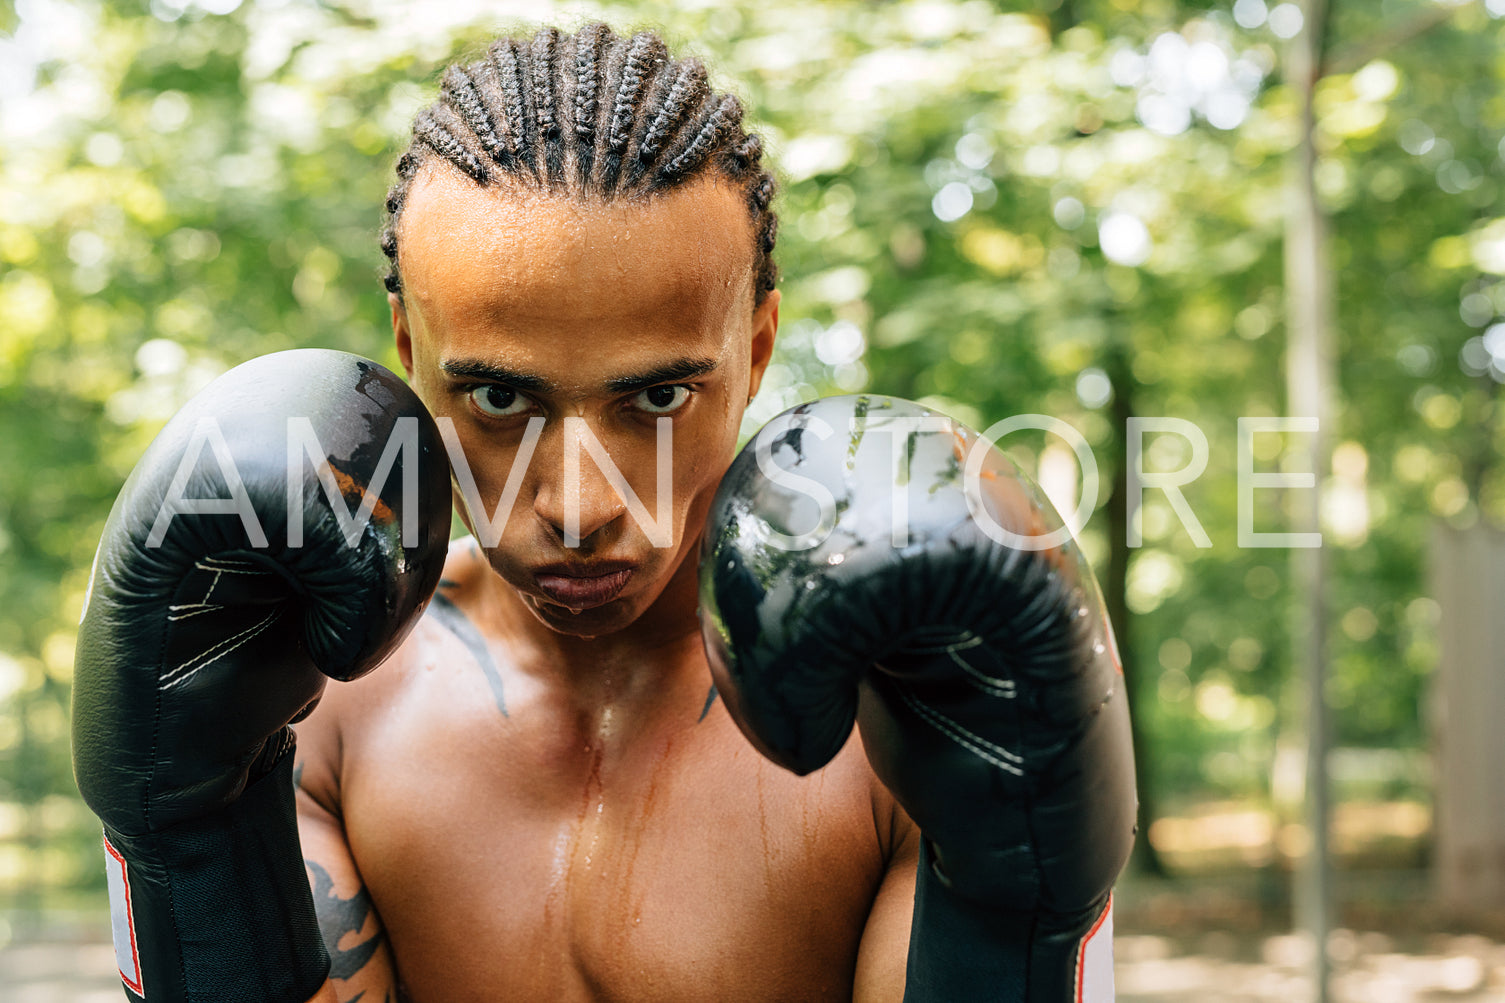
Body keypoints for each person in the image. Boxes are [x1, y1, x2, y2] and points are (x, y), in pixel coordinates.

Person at [71, 21, 1135, 1003]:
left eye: (657, 397)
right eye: (498, 398)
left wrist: (1014, 922)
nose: (580, 503)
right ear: (409, 354)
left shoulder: (909, 718)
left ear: (755, 350)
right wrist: (194, 845)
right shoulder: (320, 712)